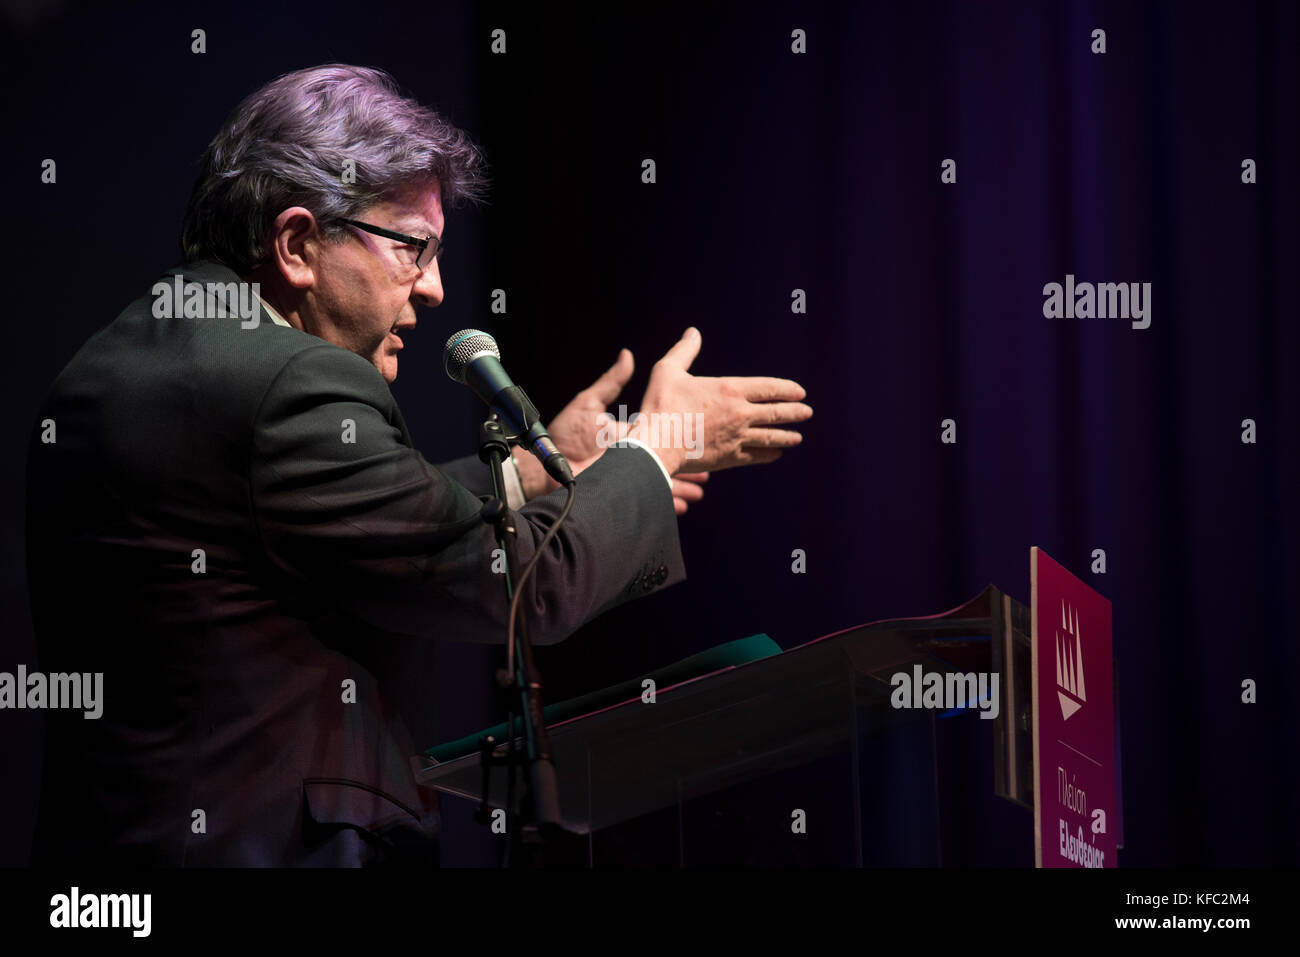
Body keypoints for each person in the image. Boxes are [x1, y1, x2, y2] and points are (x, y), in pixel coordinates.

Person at [25, 64, 811, 866]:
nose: (435, 289)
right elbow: (521, 586)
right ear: (298, 244)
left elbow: (325, 518)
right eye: (413, 248)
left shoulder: (133, 359)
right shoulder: (293, 383)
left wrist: (536, 472)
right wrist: (659, 443)